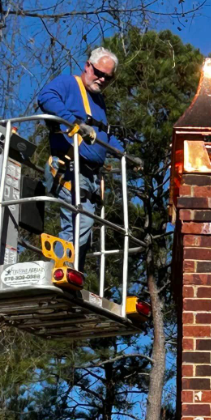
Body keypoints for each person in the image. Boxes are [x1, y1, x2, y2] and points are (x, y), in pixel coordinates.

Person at [38, 47, 140, 271]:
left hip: (90, 176)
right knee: (78, 222)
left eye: (108, 77)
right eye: (98, 73)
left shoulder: (98, 101)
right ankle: (62, 270)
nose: (102, 79)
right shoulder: (69, 83)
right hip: (69, 168)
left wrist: (123, 154)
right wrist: (74, 123)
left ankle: (70, 270)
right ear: (87, 66)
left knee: (82, 225)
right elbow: (45, 97)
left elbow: (104, 135)